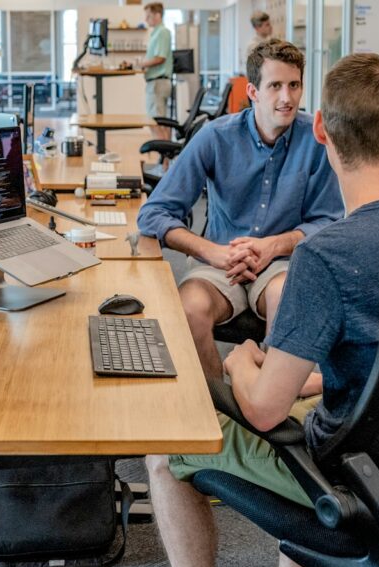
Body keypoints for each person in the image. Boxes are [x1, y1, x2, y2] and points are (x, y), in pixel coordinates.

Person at [146, 52, 379, 567]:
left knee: (162, 454)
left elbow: (263, 412)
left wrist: (241, 361)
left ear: (323, 130)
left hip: (353, 477)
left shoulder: (324, 257)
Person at [137, 38, 343, 384]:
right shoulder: (215, 137)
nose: (287, 98)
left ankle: (269, 401)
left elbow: (330, 221)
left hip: (281, 263)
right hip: (219, 260)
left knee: (286, 298)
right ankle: (219, 404)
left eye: (294, 85)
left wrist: (273, 246)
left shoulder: (317, 140)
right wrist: (211, 252)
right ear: (253, 91)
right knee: (190, 308)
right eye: (275, 86)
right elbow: (154, 213)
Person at [141, 2, 173, 140]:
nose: (146, 19)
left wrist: (142, 64)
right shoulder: (156, 33)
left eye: (148, 16)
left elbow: (160, 58)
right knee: (158, 122)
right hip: (156, 82)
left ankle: (165, 158)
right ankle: (165, 158)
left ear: (158, 15)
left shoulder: (162, 32)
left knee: (156, 122)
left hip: (158, 83)